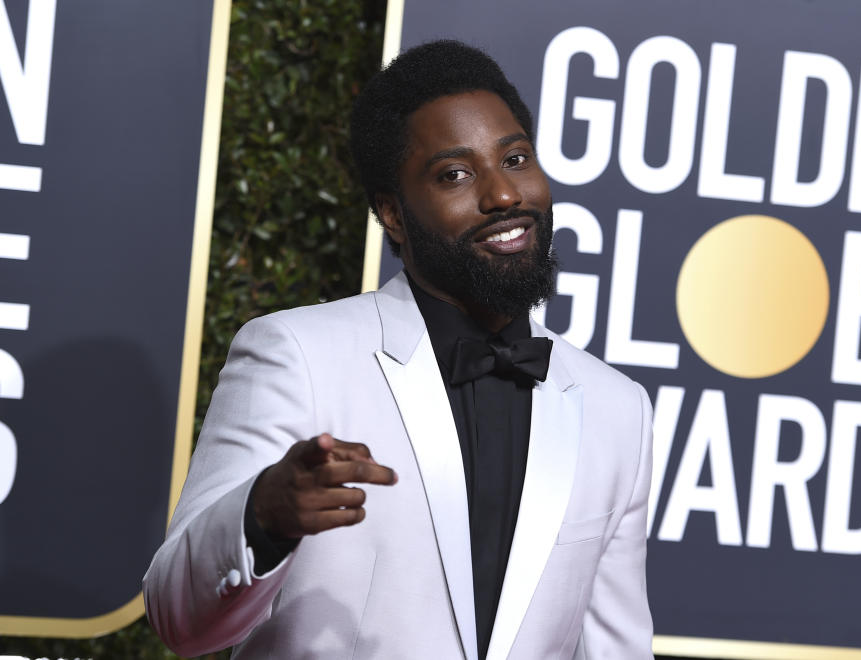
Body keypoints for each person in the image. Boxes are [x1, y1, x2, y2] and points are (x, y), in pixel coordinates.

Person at [143, 40, 654, 660]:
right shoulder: (297, 356)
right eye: (455, 174)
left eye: (515, 158)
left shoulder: (617, 408)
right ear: (393, 214)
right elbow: (178, 619)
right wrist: (262, 518)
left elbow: (615, 648)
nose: (502, 195)